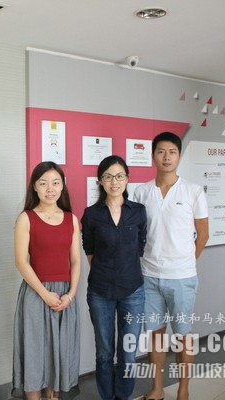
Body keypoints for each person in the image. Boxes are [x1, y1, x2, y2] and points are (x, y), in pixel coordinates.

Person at [132, 132, 209, 400]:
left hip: (182, 277)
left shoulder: (193, 191)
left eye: (172, 152)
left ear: (179, 156)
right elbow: (137, 234)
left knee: (182, 336)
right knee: (155, 335)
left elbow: (203, 234)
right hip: (149, 276)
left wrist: (186, 262)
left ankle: (183, 390)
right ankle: (157, 389)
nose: (167, 157)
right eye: (161, 151)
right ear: (153, 156)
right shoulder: (141, 192)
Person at [12, 161, 82, 400]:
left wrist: (70, 295)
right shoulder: (26, 218)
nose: (50, 188)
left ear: (62, 186)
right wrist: (44, 294)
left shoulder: (71, 219)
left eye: (55, 183)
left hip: (64, 296)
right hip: (35, 294)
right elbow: (21, 262)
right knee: (35, 353)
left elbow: (76, 261)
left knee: (60, 354)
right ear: (34, 187)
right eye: (43, 183)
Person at [82, 155, 147, 400]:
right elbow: (89, 249)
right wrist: (107, 269)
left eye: (119, 176)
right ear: (100, 181)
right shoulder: (91, 214)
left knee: (128, 352)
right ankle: (107, 396)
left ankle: (123, 396)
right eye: (108, 177)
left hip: (133, 291)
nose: (114, 181)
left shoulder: (138, 211)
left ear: (127, 179)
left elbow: (140, 245)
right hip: (101, 291)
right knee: (104, 352)